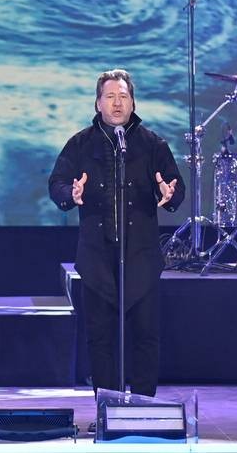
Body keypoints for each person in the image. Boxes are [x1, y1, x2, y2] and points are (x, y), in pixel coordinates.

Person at [48, 69, 184, 397]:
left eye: (123, 96)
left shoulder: (153, 144)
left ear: (133, 102)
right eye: (110, 96)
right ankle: (106, 407)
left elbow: (176, 189)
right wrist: (72, 194)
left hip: (141, 256)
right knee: (100, 338)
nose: (117, 102)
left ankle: (142, 407)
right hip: (97, 257)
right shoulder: (80, 144)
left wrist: (169, 195)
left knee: (145, 336)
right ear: (98, 104)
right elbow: (57, 183)